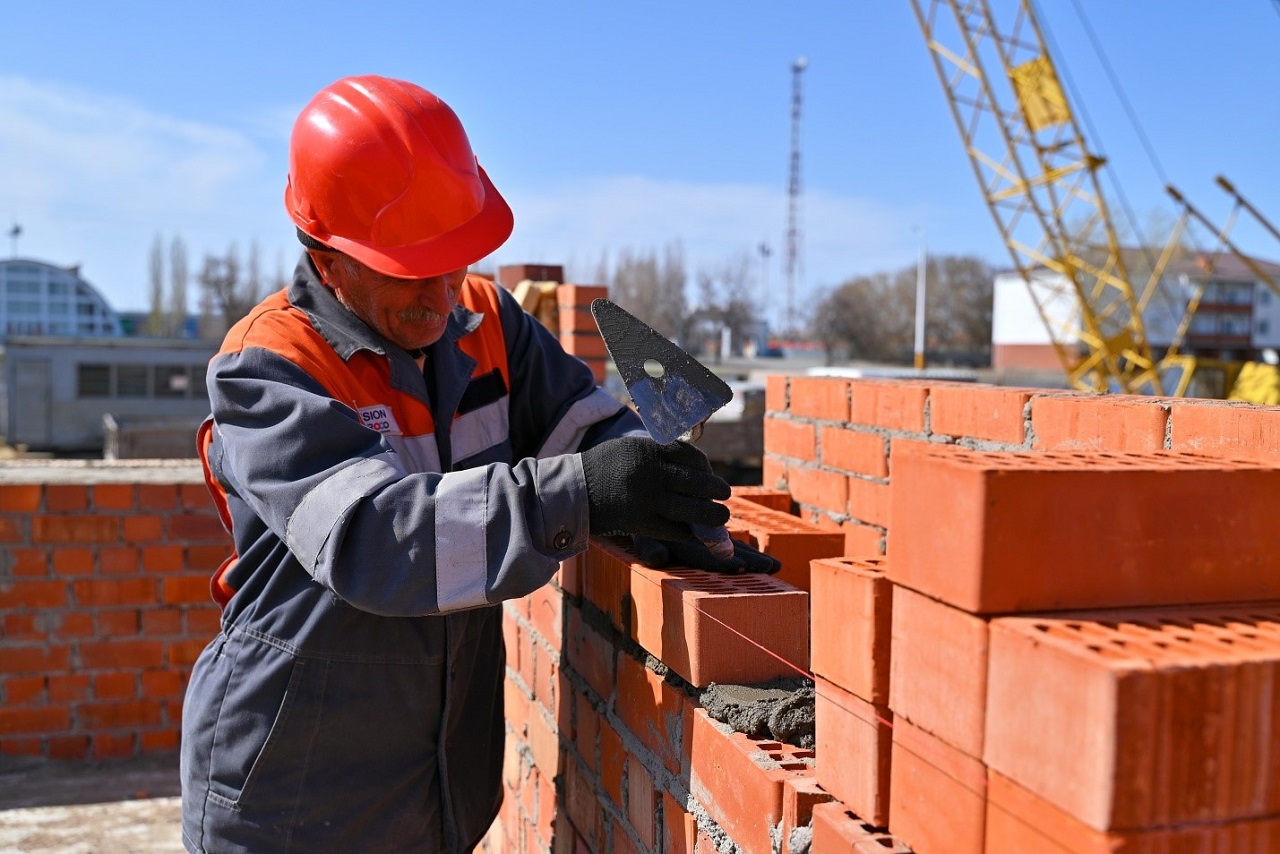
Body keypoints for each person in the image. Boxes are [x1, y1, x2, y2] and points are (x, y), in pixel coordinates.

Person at [180, 74, 778, 854]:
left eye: (453, 259)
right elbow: (374, 544)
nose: (439, 297)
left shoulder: (485, 323)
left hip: (438, 793)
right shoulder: (269, 369)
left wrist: (652, 509)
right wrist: (585, 497)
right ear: (328, 260)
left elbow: (584, 429)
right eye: (408, 269)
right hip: (291, 797)